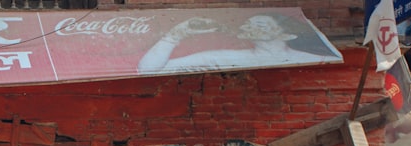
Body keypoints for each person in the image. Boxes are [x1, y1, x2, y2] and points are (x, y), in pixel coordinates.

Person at [137, 13, 338, 74]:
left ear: (287, 35)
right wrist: (175, 35)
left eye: (259, 23)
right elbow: (147, 69)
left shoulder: (319, 60)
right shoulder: (222, 56)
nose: (248, 26)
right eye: (248, 22)